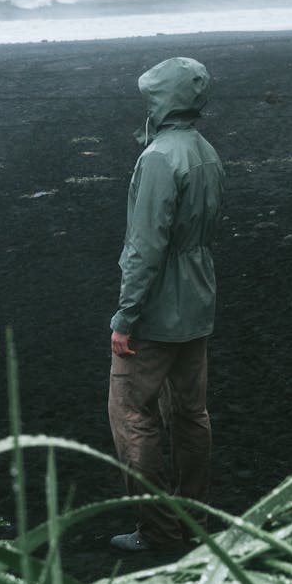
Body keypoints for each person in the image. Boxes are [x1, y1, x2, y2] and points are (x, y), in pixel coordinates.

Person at [108, 56, 225, 553]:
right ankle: (195, 516)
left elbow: (145, 247)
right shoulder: (205, 151)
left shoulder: (158, 157)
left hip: (157, 310)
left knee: (132, 415)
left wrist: (125, 317)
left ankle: (156, 529)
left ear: (162, 100)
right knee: (192, 415)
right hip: (198, 300)